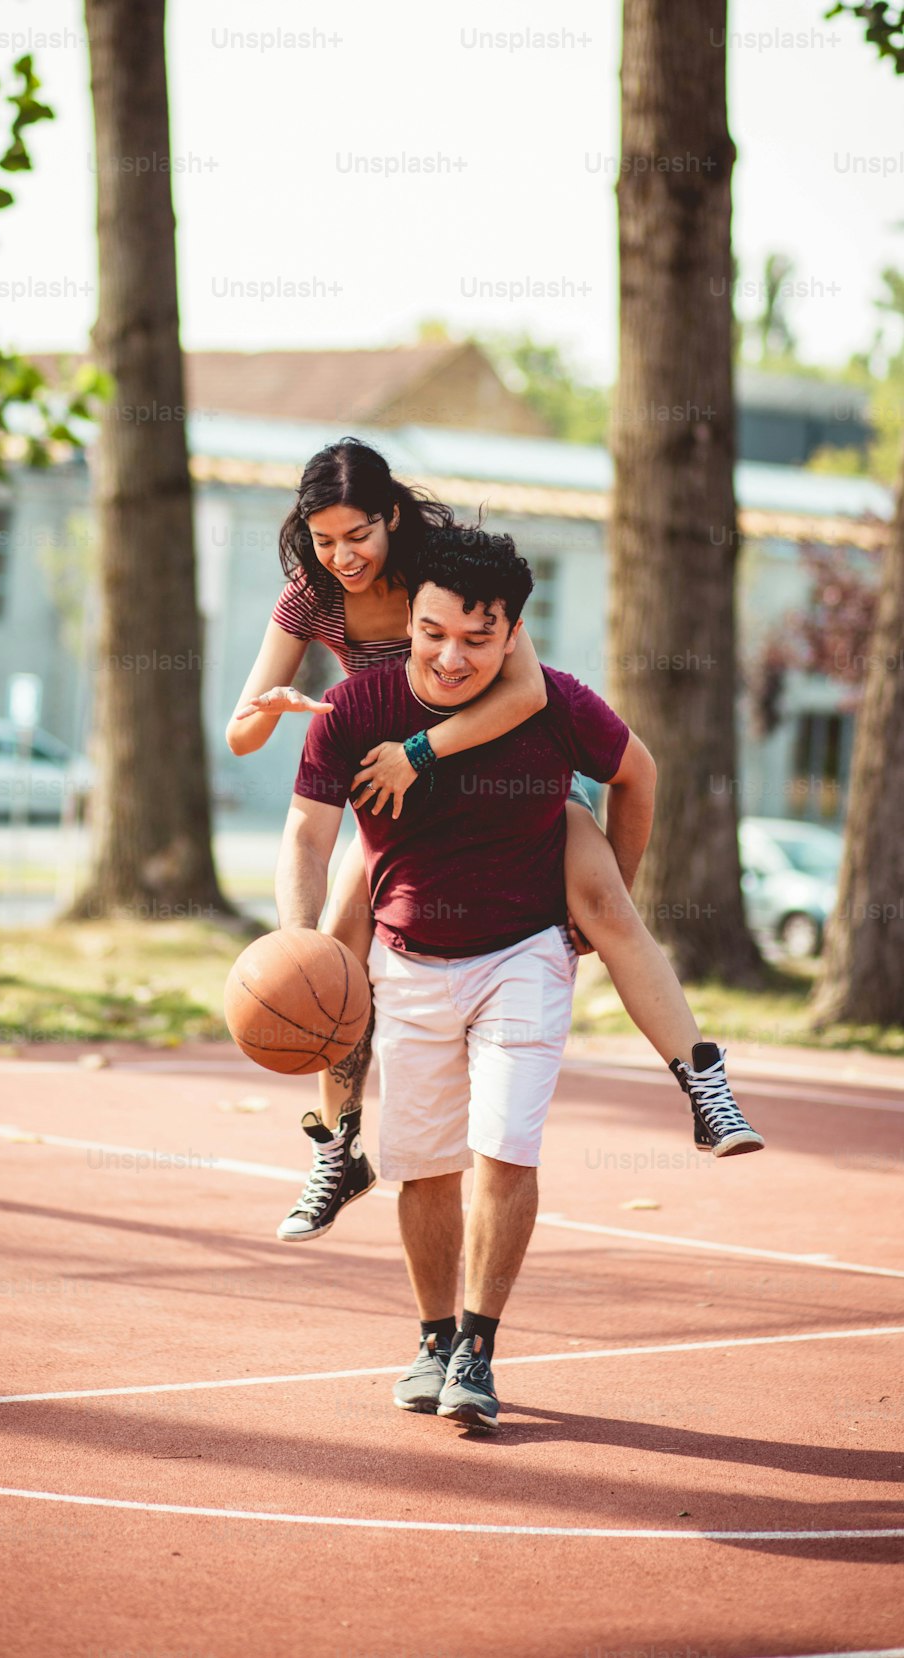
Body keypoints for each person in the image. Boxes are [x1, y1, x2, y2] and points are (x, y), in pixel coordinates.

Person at [274, 529, 763, 1429]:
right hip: (408, 962)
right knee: (425, 1169)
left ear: (513, 636)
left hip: (525, 957)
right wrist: (293, 940)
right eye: (432, 633)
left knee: (505, 1150)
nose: (451, 656)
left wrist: (611, 881)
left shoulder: (556, 705)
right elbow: (307, 834)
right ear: (410, 619)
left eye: (477, 638)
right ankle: (428, 1331)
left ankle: (478, 1348)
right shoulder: (356, 709)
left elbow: (637, 773)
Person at [227, 438, 762, 1246]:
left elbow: (527, 693)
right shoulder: (310, 596)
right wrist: (274, 706)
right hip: (394, 795)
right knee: (330, 950)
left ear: (392, 517)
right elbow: (241, 735)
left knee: (609, 905)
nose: (343, 555)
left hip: (494, 770)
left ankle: (704, 1082)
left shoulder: (445, 578)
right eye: (324, 537)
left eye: (358, 535)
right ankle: (339, 1150)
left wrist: (420, 751)